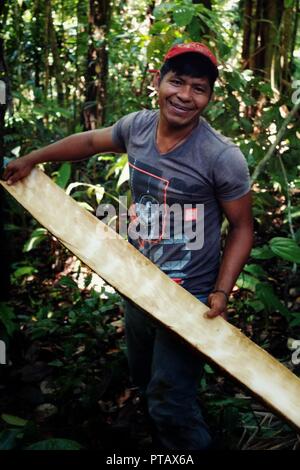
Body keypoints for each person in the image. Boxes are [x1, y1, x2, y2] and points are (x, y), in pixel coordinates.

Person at [3, 42, 253, 450]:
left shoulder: (221, 156)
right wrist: (34, 157)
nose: (185, 96)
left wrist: (222, 291)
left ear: (210, 96)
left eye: (199, 88)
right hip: (138, 281)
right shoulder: (137, 127)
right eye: (177, 82)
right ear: (157, 81)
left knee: (171, 403)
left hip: (188, 297)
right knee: (144, 380)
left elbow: (242, 227)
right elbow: (89, 143)